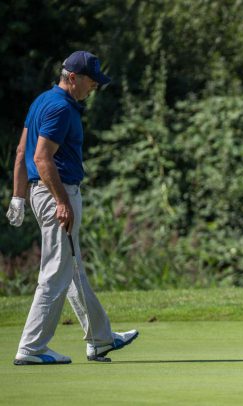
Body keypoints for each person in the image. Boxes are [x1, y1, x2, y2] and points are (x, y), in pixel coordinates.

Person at [5, 51, 139, 365]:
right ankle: (32, 347)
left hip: (45, 192)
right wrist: (63, 203)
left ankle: (100, 339)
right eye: (92, 82)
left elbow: (22, 149)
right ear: (74, 78)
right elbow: (40, 157)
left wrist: (18, 196)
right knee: (55, 271)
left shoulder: (41, 101)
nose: (94, 88)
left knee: (72, 267)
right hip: (57, 192)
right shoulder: (61, 108)